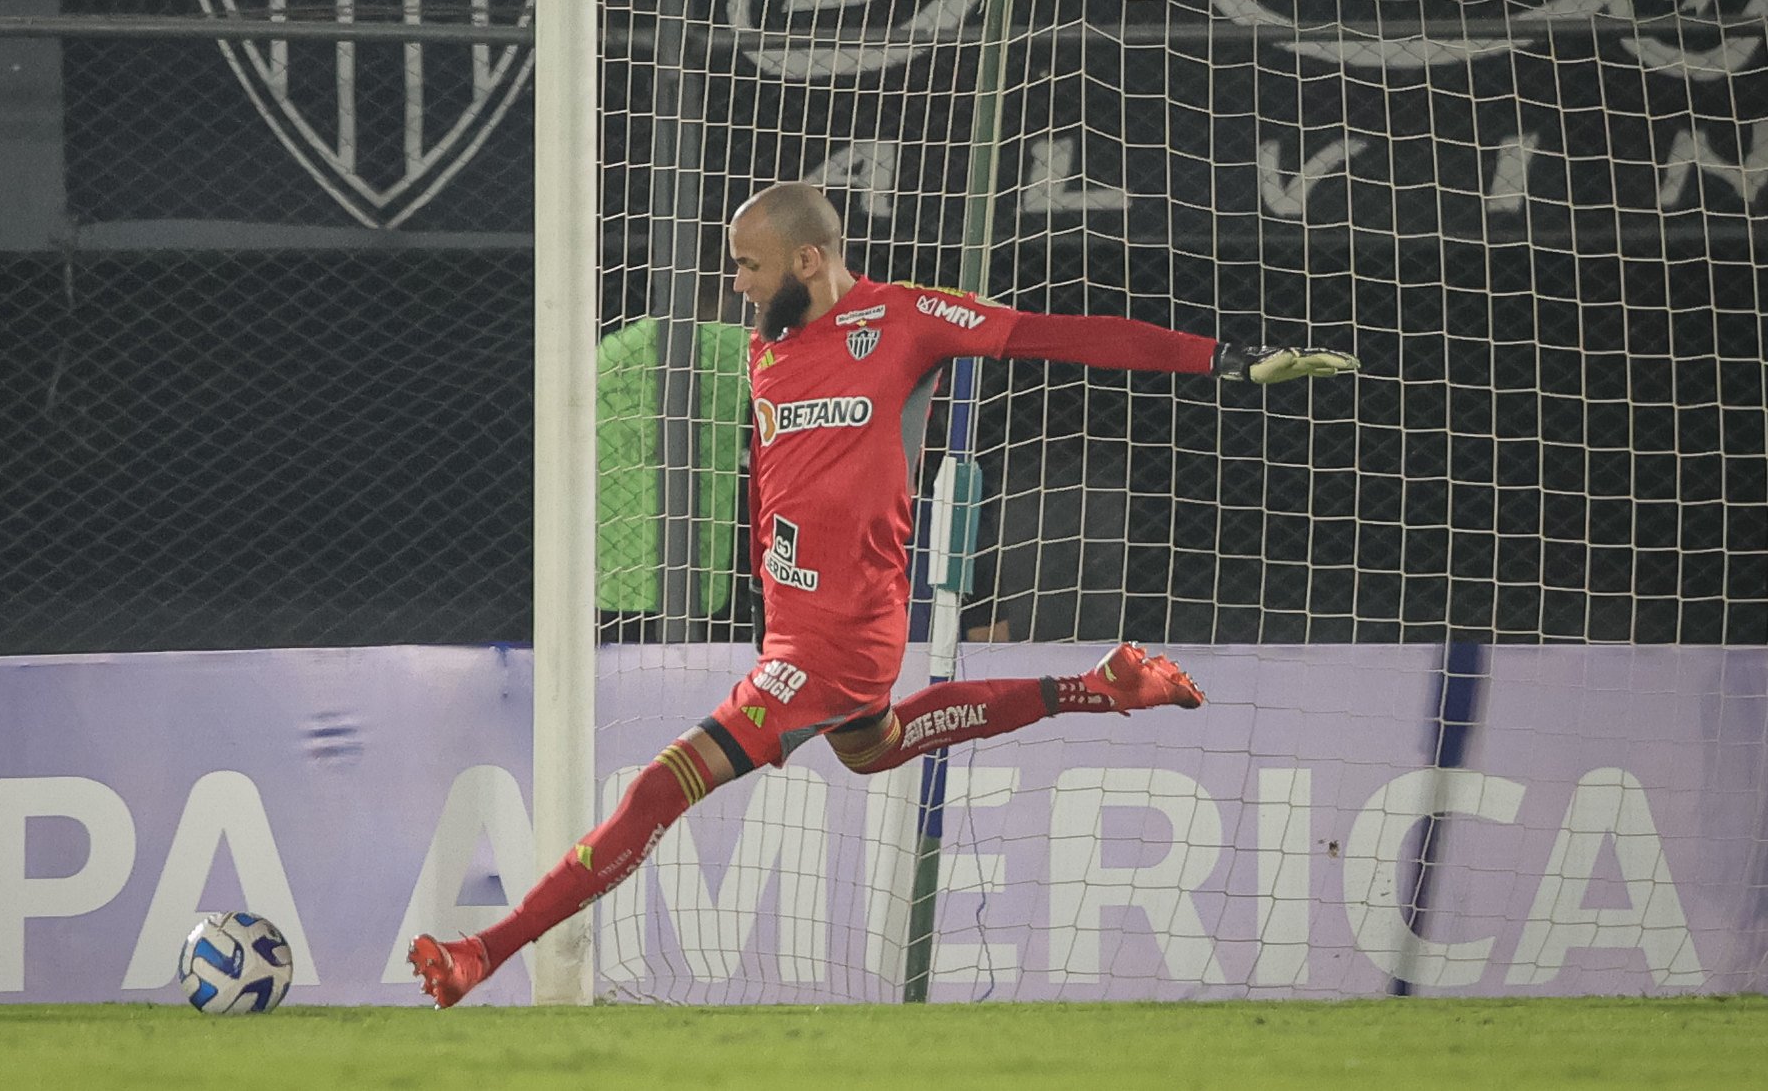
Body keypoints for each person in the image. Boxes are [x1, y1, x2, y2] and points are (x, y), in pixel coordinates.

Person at [408, 182, 1359, 1007]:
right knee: (873, 749)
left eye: (747, 265)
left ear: (809, 258)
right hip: (794, 622)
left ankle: (481, 953)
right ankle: (1098, 687)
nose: (733, 283)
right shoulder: (766, 345)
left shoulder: (906, 321)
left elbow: (1051, 337)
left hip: (837, 636)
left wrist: (1221, 358)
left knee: (660, 787)